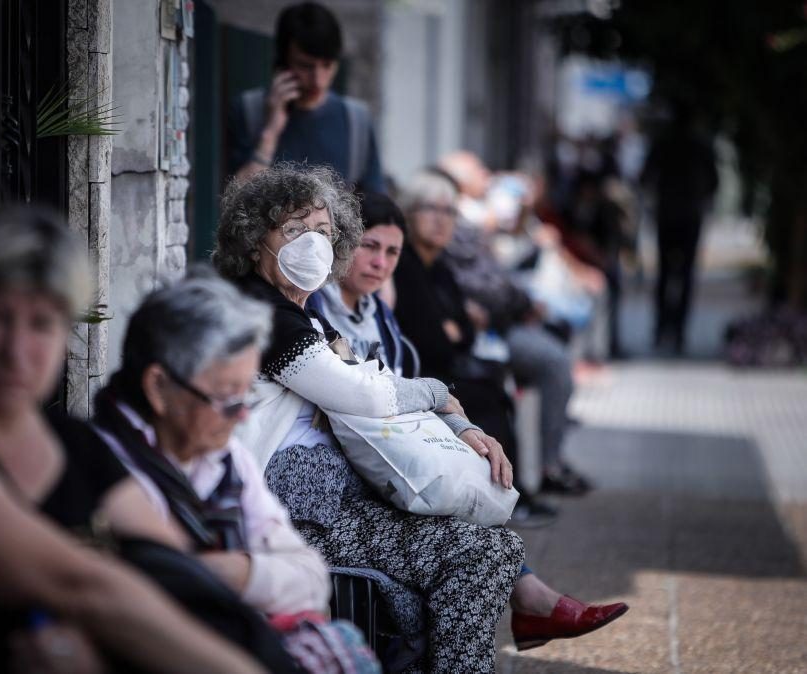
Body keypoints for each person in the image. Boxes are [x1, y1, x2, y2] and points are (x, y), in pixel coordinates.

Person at [0, 204, 275, 674]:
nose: (15, 353)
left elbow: (177, 574)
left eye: (42, 324)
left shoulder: (73, 441)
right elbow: (81, 586)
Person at [213, 163, 526, 673]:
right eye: (293, 230)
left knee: (490, 544)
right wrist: (440, 395)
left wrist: (459, 424)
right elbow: (361, 392)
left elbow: (372, 379)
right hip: (297, 512)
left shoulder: (304, 316)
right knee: (482, 552)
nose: (311, 243)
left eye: (322, 232)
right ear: (254, 241)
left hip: (340, 501)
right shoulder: (263, 314)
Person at [311, 192, 628, 651]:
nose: (380, 263)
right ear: (342, 246)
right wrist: (444, 405)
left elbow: (411, 381)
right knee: (481, 531)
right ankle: (533, 601)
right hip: (353, 466)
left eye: (392, 253)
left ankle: (532, 601)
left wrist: (462, 427)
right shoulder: (318, 313)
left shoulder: (376, 310)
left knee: (476, 467)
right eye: (369, 247)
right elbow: (372, 393)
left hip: (389, 447)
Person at [91, 270, 379, 671]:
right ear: (159, 388)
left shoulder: (226, 460)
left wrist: (233, 571)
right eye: (227, 398)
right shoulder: (99, 464)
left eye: (246, 395)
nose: (242, 415)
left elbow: (311, 582)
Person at [400, 164, 591, 496]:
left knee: (500, 383)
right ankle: (517, 487)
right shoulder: (411, 262)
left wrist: (458, 326)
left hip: (488, 336)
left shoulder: (442, 261)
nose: (441, 219)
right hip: (436, 370)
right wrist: (461, 325)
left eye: (448, 211)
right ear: (410, 213)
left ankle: (522, 485)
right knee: (503, 385)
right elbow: (440, 334)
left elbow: (461, 326)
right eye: (430, 209)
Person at [227, 2, 385, 194]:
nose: (318, 80)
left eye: (327, 66)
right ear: (283, 63)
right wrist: (269, 134)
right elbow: (235, 200)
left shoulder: (356, 121)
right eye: (305, 66)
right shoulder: (249, 111)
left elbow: (377, 208)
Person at [641, 101, 718, 354]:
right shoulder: (700, 145)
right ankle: (678, 331)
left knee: (665, 274)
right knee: (684, 276)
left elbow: (645, 177)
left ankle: (663, 328)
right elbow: (713, 182)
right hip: (689, 215)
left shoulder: (664, 143)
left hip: (668, 214)